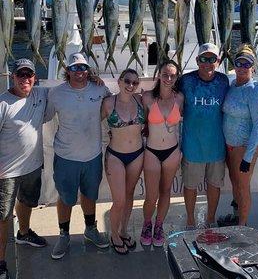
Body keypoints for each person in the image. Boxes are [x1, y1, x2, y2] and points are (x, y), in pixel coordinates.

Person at [46, 52, 111, 260]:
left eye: (83, 68)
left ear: (88, 70)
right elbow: (43, 115)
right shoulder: (56, 93)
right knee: (65, 199)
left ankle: (90, 229)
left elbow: (113, 104)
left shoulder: (100, 88)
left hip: (92, 156)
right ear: (67, 71)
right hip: (66, 157)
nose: (79, 72)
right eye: (74, 68)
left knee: (90, 195)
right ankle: (64, 234)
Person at [0, 59, 47, 279]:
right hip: (6, 171)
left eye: (29, 75)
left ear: (34, 78)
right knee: (3, 216)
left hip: (33, 166)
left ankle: (24, 233)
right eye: (21, 75)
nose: (25, 79)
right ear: (12, 77)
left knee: (27, 202)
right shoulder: (3, 103)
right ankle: (0, 261)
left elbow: (68, 86)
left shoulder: (40, 94)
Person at [178, 43, 229, 228]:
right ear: (197, 60)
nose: (208, 63)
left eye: (212, 59)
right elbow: (165, 91)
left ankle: (210, 219)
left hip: (216, 145)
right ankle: (190, 220)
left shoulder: (224, 81)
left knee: (214, 185)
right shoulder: (185, 80)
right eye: (203, 59)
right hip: (192, 146)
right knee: (190, 186)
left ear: (218, 61)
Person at [101, 69, 144, 255]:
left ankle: (124, 230)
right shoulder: (109, 103)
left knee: (129, 196)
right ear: (119, 82)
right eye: (127, 81)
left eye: (135, 82)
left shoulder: (141, 101)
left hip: (137, 154)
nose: (130, 85)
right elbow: (90, 122)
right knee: (119, 200)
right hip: (115, 156)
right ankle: (114, 235)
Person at [140, 60, 183, 247]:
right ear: (158, 75)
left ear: (177, 77)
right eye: (165, 74)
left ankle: (159, 225)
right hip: (151, 151)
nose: (168, 78)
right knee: (151, 195)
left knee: (166, 191)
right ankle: (147, 224)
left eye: (173, 75)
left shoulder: (180, 98)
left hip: (172, 152)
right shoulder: (147, 97)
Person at [222, 45, 258, 226]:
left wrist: (248, 157)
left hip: (244, 147)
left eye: (246, 63)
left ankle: (243, 225)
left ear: (252, 67)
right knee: (234, 184)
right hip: (229, 146)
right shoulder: (232, 85)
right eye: (238, 62)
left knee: (242, 186)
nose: (242, 66)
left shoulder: (254, 90)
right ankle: (236, 216)